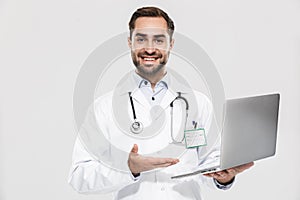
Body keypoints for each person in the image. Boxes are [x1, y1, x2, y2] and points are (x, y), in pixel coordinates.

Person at [68, 6, 254, 199]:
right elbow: (79, 176)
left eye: (158, 39)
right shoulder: (104, 108)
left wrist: (223, 177)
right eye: (141, 39)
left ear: (170, 44)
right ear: (130, 42)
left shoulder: (199, 103)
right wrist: (128, 168)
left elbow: (210, 166)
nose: (149, 48)